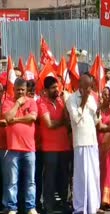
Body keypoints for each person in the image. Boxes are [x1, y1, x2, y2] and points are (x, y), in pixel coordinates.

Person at [66, 73, 101, 214]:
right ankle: (80, 208)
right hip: (80, 143)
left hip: (92, 141)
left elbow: (96, 121)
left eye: (91, 87)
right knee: (82, 176)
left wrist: (99, 109)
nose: (90, 90)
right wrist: (84, 100)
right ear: (81, 86)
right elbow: (75, 119)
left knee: (93, 175)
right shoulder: (71, 99)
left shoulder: (92, 98)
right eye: (88, 87)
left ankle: (93, 206)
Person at [2, 78, 38, 214]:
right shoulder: (8, 102)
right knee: (12, 182)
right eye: (18, 89)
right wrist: (17, 103)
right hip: (12, 148)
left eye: (23, 89)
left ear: (26, 90)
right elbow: (7, 117)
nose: (21, 92)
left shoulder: (32, 102)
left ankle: (31, 207)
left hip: (29, 148)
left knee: (31, 181)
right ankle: (12, 208)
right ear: (14, 89)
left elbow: (32, 118)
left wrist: (15, 120)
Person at [37, 76, 72, 213]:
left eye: (57, 87)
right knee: (49, 178)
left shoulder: (62, 102)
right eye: (53, 88)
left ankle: (64, 203)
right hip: (50, 148)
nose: (56, 90)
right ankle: (49, 206)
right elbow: (49, 124)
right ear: (45, 90)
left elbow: (69, 121)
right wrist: (62, 122)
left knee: (64, 177)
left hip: (64, 146)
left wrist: (65, 104)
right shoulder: (41, 103)